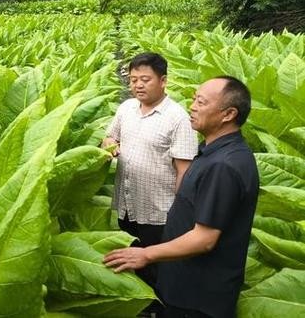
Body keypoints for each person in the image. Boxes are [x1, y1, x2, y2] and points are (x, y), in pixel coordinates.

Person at [104, 76, 259, 318]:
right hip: (184, 284)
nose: (192, 106)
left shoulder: (224, 166)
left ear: (228, 114)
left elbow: (204, 239)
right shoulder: (214, 152)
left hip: (197, 296)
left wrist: (145, 254)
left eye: (201, 101)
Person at [102, 52, 198, 288]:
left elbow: (184, 170)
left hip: (159, 212)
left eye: (145, 79)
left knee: (158, 270)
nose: (138, 85)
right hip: (127, 206)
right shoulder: (126, 108)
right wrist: (110, 146)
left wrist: (180, 214)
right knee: (131, 261)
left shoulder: (178, 118)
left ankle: (159, 308)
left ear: (163, 80)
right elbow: (109, 136)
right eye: (133, 80)